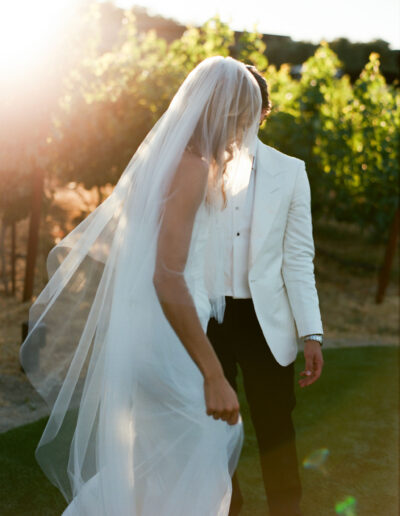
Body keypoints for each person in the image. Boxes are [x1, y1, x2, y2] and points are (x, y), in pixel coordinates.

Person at [19, 55, 264, 515]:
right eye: (245, 119)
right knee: (200, 456)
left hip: (149, 332)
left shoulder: (172, 160)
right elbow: (166, 274)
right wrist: (214, 375)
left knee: (159, 464)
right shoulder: (190, 166)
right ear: (228, 114)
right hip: (164, 339)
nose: (247, 131)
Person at [207, 65, 325, 516]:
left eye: (248, 104)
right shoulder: (198, 164)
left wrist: (311, 333)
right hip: (207, 318)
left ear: (263, 112)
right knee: (211, 430)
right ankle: (227, 505)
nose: (239, 112)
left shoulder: (291, 173)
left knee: (276, 427)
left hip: (266, 322)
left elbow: (298, 259)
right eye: (232, 103)